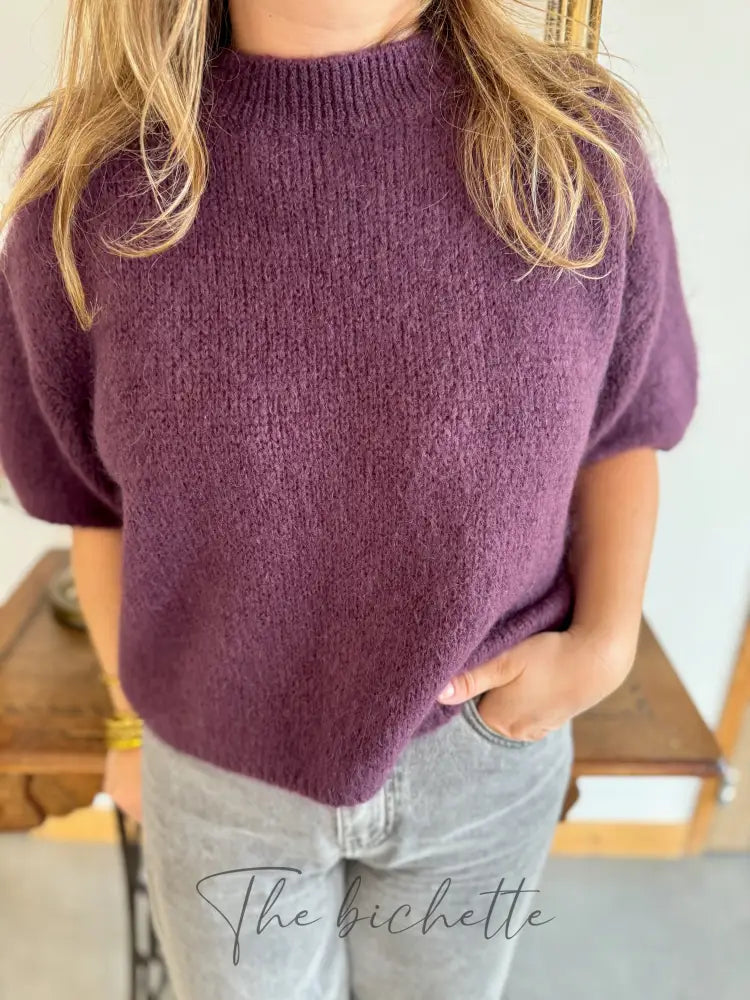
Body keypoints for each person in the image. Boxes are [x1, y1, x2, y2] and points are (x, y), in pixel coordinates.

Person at [0, 1, 698, 997]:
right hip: (216, 771)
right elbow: (91, 503)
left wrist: (607, 644)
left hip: (481, 757)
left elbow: (624, 431)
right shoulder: (88, 186)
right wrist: (128, 728)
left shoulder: (571, 144)